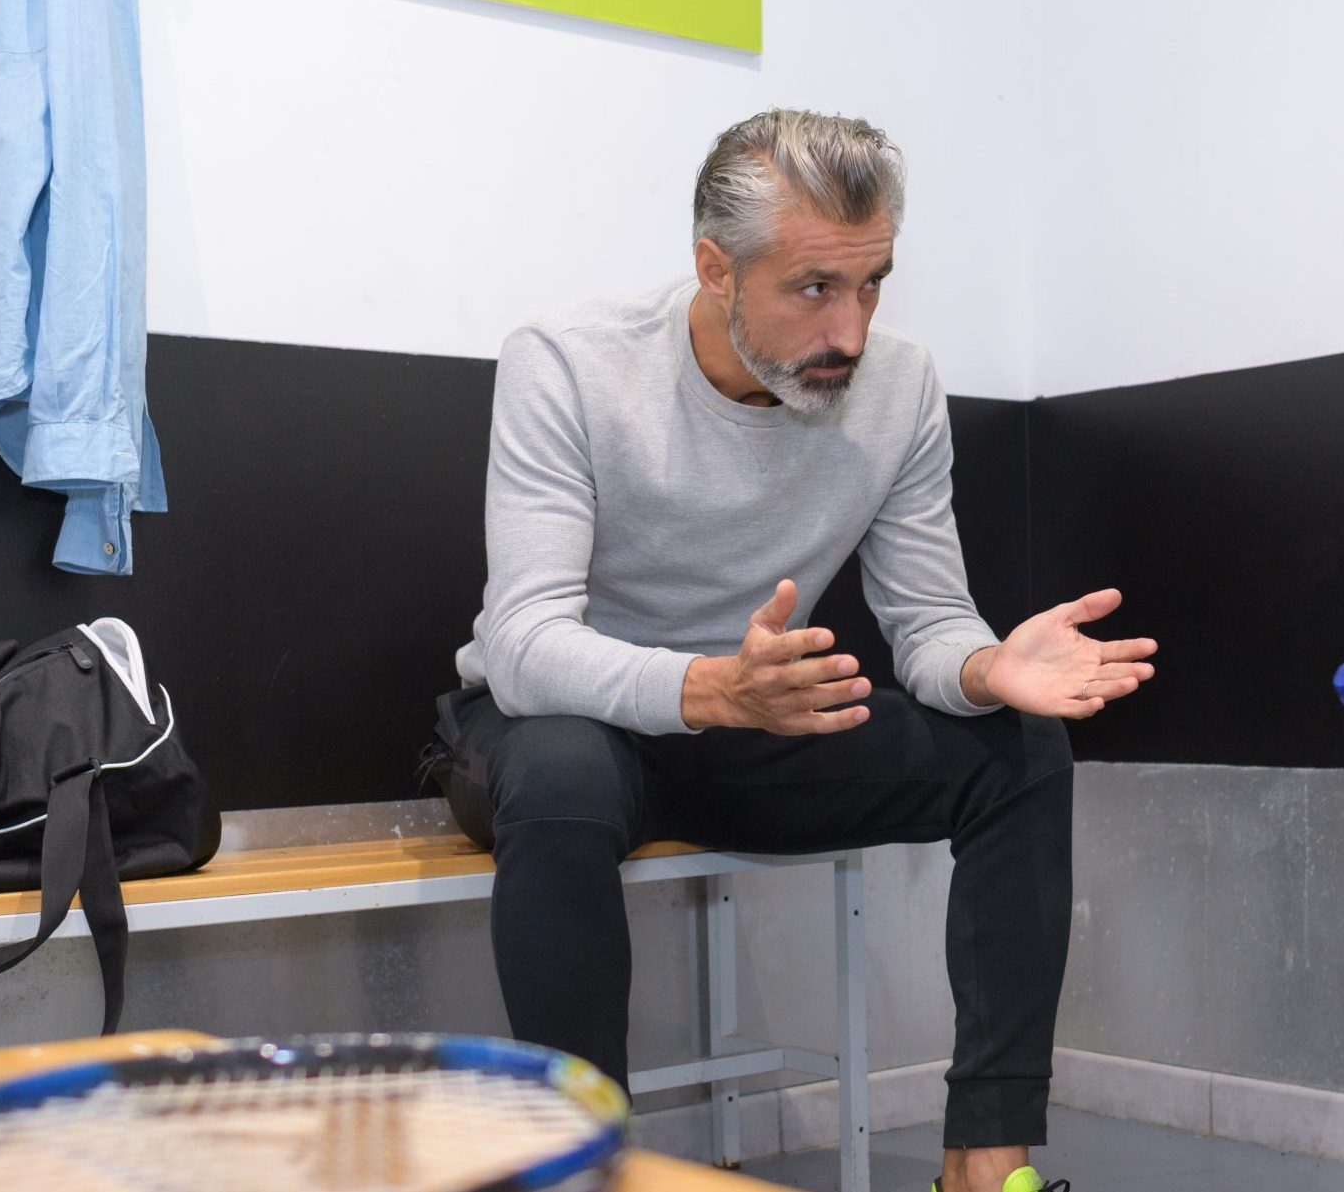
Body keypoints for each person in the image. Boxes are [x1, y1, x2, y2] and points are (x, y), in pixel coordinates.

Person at [431, 109, 1153, 1192]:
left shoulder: (900, 386)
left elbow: (927, 620)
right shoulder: (569, 362)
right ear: (715, 268)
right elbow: (526, 641)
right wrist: (706, 687)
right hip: (573, 728)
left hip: (756, 722)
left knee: (1018, 749)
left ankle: (982, 1162)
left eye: (871, 285)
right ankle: (580, 1171)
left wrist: (983, 666)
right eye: (814, 287)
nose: (850, 331)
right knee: (565, 774)